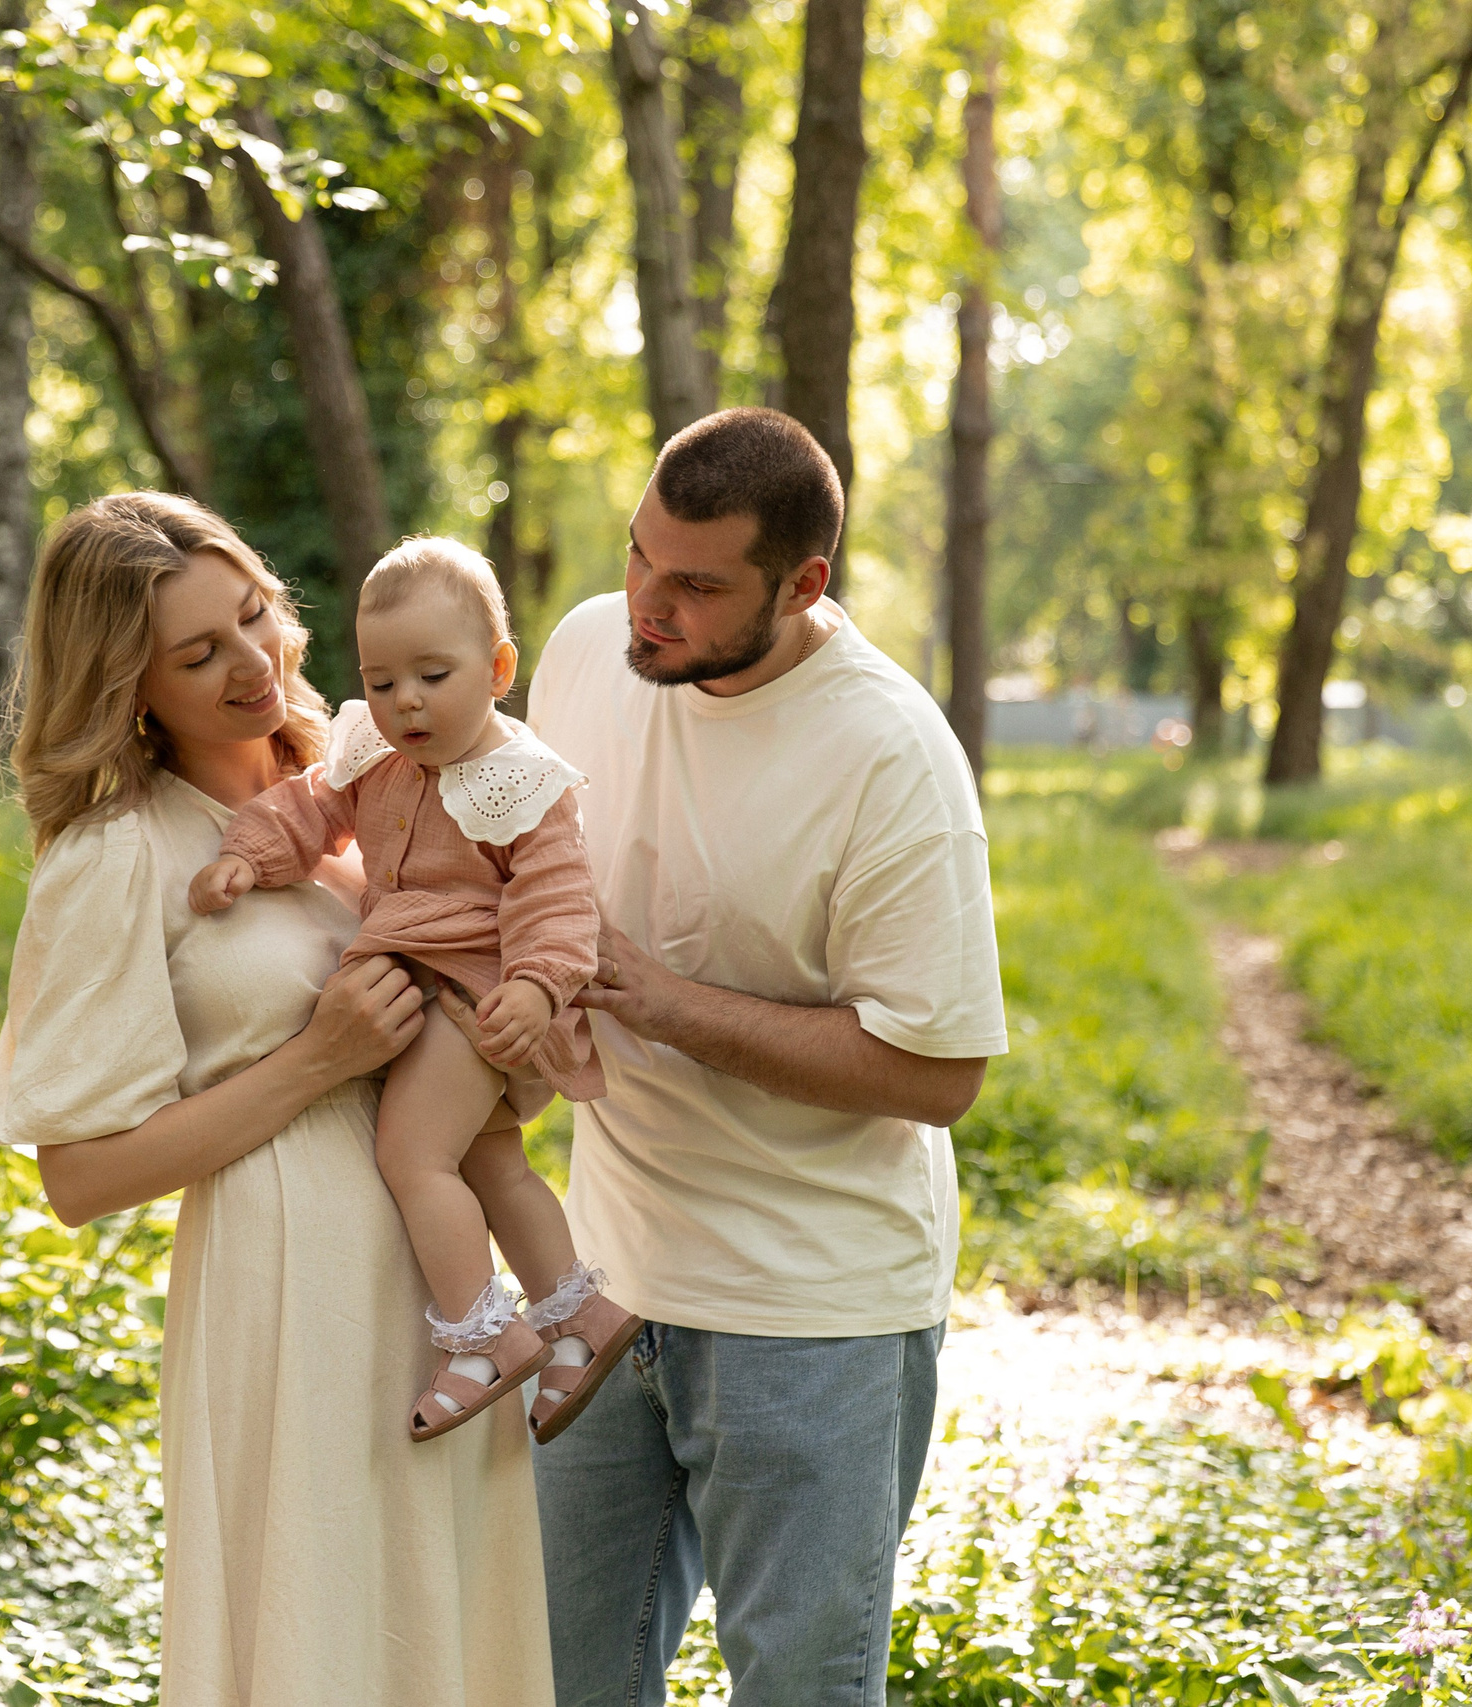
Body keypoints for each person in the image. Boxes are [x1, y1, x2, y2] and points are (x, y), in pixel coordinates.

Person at [0, 493, 554, 1706]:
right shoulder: (119, 854)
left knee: (448, 1628)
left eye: (254, 618)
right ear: (126, 684)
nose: (254, 665)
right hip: (292, 1289)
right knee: (325, 1633)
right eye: (200, 654)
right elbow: (77, 1179)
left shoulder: (389, 766)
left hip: (452, 1292)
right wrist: (313, 1060)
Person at [525, 408, 1009, 1707]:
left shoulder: (891, 757)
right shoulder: (581, 650)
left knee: (799, 1685)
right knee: (556, 1676)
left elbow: (937, 1071)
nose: (648, 605)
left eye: (696, 584)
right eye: (640, 555)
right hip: (597, 1276)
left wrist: (667, 1002)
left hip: (814, 1309)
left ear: (804, 586)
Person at [190, 537, 642, 1446]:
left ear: (498, 667)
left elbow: (560, 899)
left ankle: (482, 1334)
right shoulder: (378, 759)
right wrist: (247, 852)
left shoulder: (525, 782)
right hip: (427, 991)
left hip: (472, 996)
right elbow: (308, 806)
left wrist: (539, 984)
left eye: (434, 674)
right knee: (492, 1162)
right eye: (383, 678)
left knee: (413, 1156)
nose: (406, 701)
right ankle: (580, 1319)